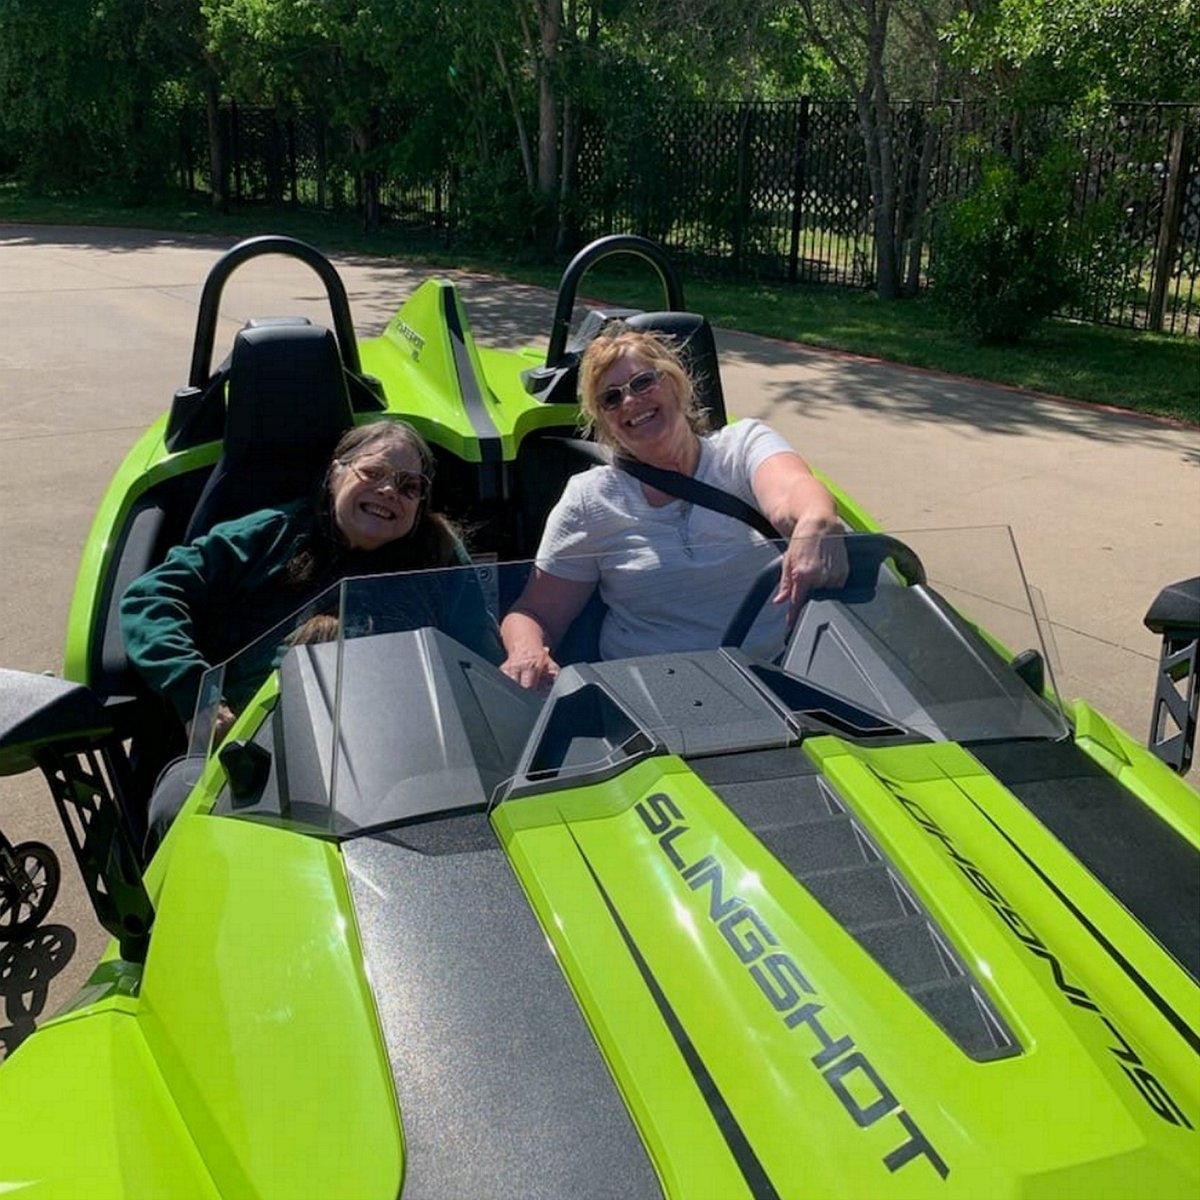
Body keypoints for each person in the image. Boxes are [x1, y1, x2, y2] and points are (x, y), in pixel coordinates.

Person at [500, 326, 846, 690]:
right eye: (611, 399)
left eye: (643, 382)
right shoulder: (591, 499)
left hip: (770, 681)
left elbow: (793, 491)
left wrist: (815, 522)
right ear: (604, 424)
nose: (630, 401)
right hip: (650, 698)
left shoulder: (742, 447)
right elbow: (533, 613)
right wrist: (526, 651)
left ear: (676, 383)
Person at [122, 418, 502, 749]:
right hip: (259, 746)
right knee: (173, 804)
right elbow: (149, 597)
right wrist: (197, 697)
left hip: (402, 747)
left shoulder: (439, 556)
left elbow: (480, 657)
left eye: (408, 487)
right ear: (335, 474)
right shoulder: (269, 535)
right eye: (372, 473)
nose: (389, 491)